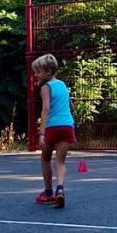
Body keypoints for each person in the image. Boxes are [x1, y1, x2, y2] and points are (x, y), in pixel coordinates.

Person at [32, 53, 75, 208]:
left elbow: (45, 109)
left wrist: (41, 133)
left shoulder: (46, 87)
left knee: (45, 158)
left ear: (48, 72)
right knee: (60, 161)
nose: (35, 75)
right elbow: (71, 106)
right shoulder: (62, 84)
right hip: (67, 125)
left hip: (52, 126)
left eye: (38, 72)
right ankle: (61, 188)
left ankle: (48, 193)